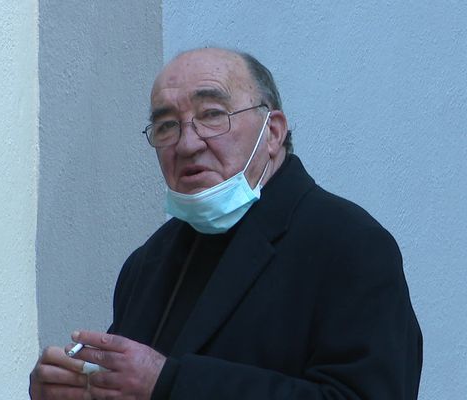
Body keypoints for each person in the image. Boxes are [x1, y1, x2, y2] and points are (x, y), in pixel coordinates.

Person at [29, 47, 422, 400]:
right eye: (166, 125)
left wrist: (170, 384)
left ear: (272, 132)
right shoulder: (147, 263)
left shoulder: (351, 245)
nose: (187, 143)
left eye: (212, 115)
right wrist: (80, 387)